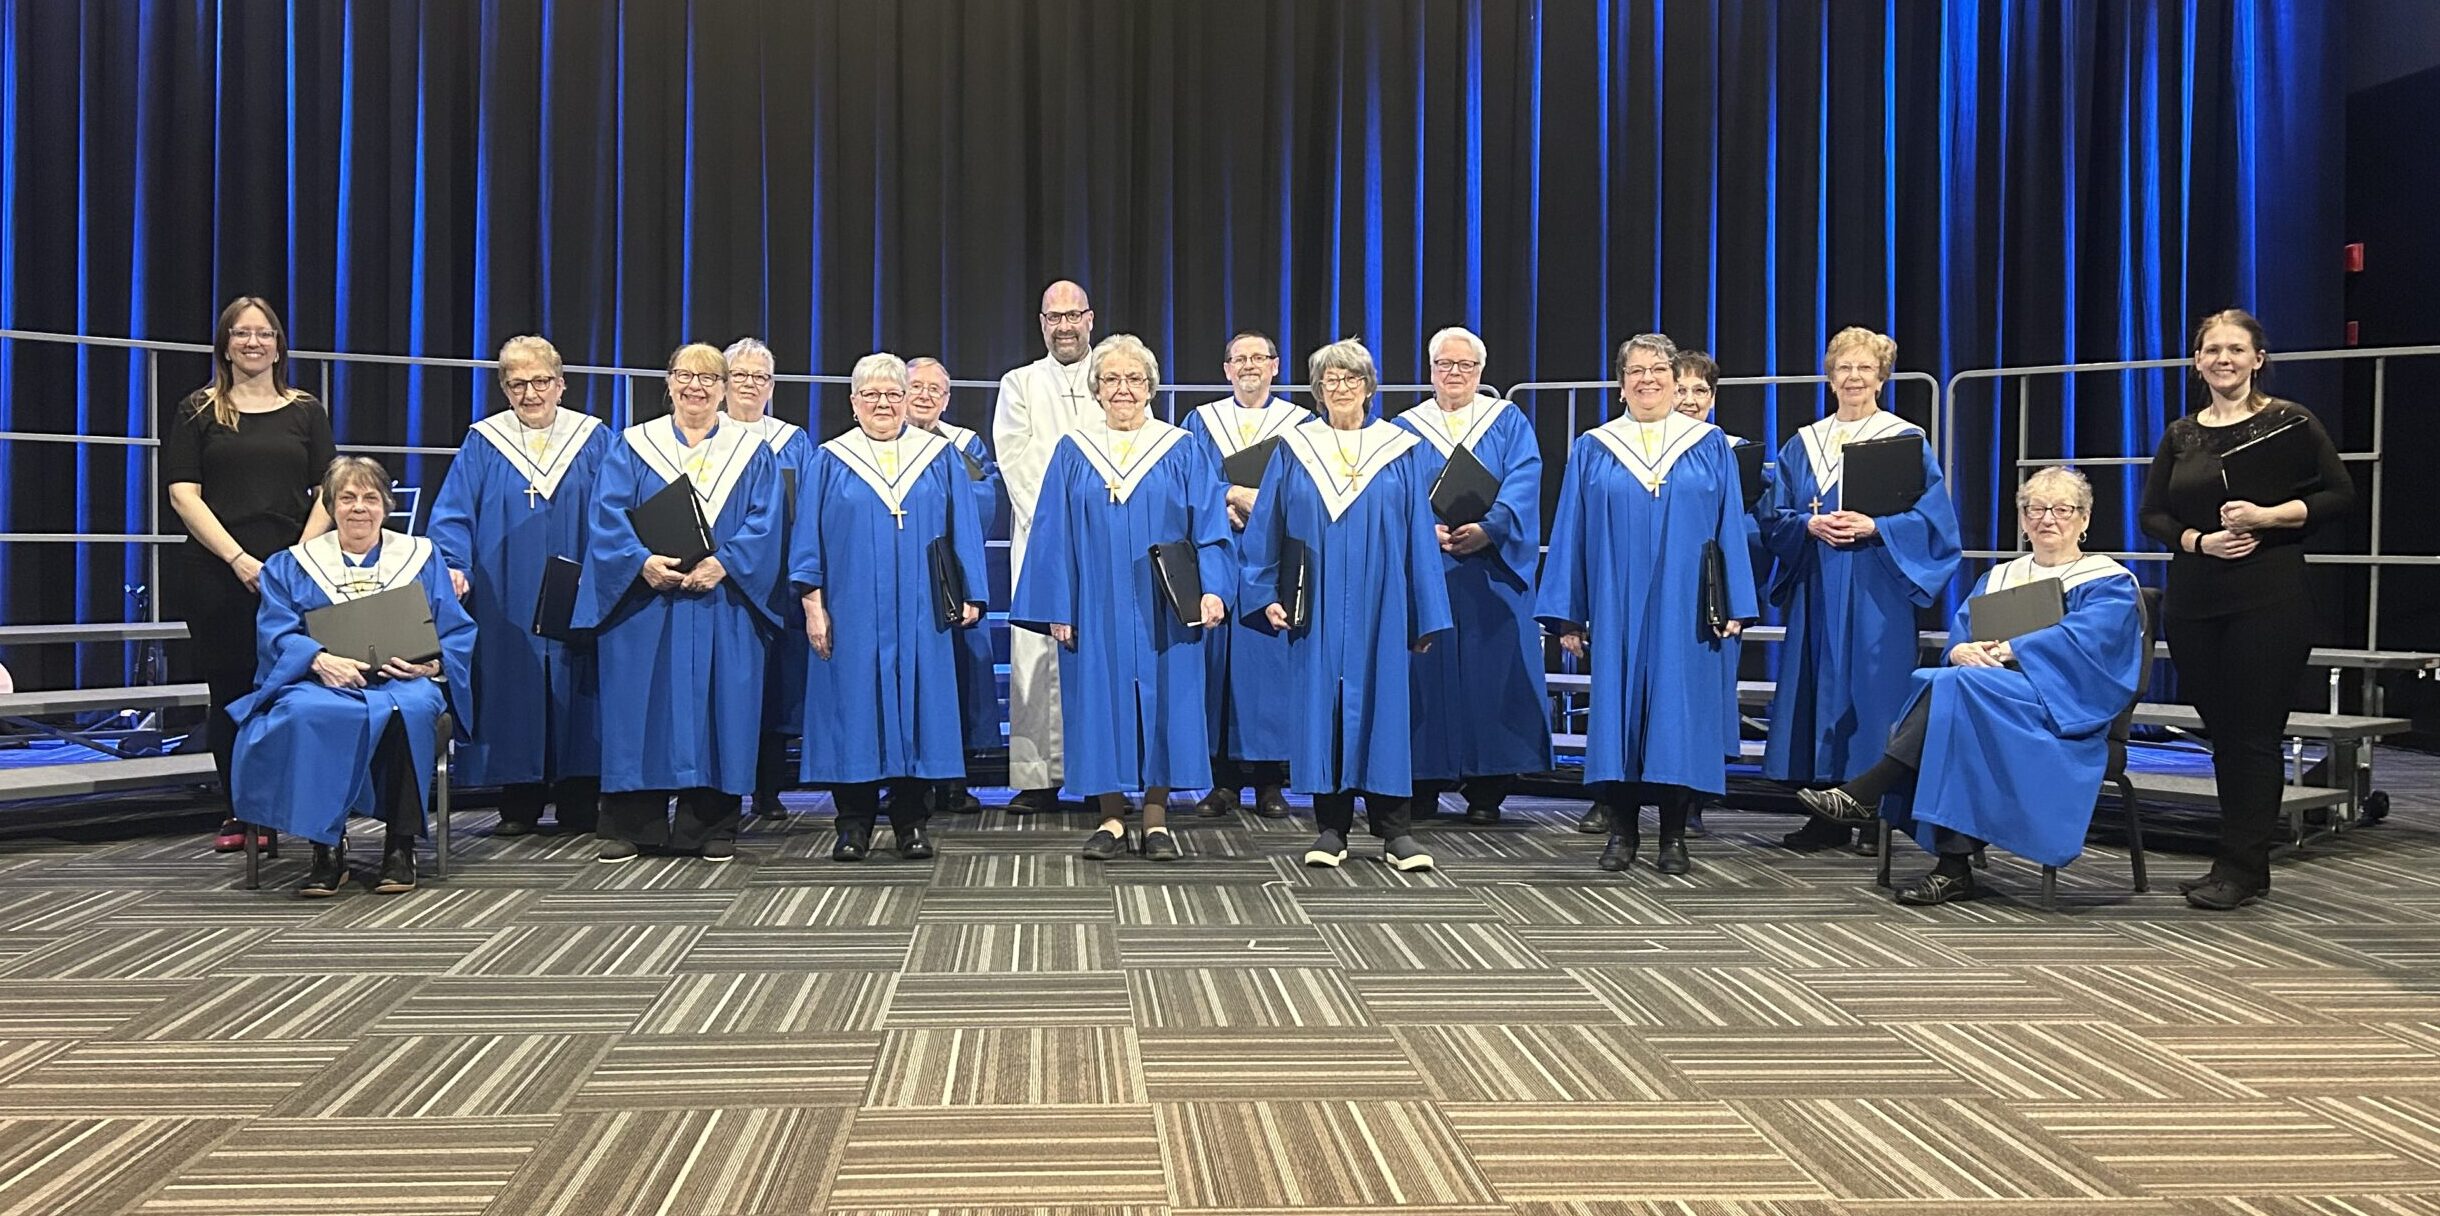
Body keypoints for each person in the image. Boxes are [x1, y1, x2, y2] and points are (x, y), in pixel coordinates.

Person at [1799, 468, 2146, 903]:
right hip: (1989, 699)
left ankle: (1870, 790)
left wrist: (2013, 649)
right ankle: (1952, 865)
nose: (2048, 519)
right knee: (1945, 684)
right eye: (2035, 509)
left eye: (2062, 509)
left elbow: (2093, 641)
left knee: (1956, 691)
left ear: (2085, 519)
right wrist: (1960, 651)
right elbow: (1965, 634)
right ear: (2022, 521)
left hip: (2060, 707)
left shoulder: (2106, 581)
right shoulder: (2001, 577)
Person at [2139, 309, 2354, 910]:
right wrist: (2197, 541)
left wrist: (2270, 516)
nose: (2224, 359)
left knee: (2254, 736)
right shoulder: (2183, 433)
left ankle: (2242, 866)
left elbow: (2341, 495)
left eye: (2236, 349)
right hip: (2197, 599)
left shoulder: (2290, 421)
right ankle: (2238, 862)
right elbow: (2153, 514)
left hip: (2270, 597)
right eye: (2213, 350)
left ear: (2258, 358)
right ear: (2198, 361)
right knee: (2225, 737)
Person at [1537, 334, 1756, 875]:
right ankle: (1622, 833)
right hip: (1617, 606)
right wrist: (1569, 612)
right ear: (1620, 383)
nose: (1648, 379)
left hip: (1687, 606)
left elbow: (1730, 526)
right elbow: (1572, 531)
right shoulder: (1595, 446)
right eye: (1636, 370)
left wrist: (1733, 601)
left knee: (1678, 717)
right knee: (1620, 716)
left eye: (1658, 368)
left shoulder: (1708, 445)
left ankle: (1674, 835)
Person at [1011, 335, 1232, 862]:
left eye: (1134, 379)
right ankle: (1110, 817)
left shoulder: (1181, 448)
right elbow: (1052, 534)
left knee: (1167, 704)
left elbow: (1210, 525)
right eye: (1111, 379)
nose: (1123, 389)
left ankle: (1156, 818)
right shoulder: (1074, 451)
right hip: (1097, 604)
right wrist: (1056, 608)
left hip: (1166, 605)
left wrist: (1215, 589)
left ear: (1151, 387)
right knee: (1100, 704)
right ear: (1096, 389)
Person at [1241, 339, 1453, 872]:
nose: (1341, 389)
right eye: (1330, 381)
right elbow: (1268, 527)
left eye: (1351, 379)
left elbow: (1418, 539)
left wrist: (1424, 611)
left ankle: (1394, 832)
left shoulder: (1398, 450)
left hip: (1381, 605)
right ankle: (1331, 829)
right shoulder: (1294, 449)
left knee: (1384, 709)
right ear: (1317, 390)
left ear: (1368, 387)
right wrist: (1265, 594)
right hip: (1313, 601)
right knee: (1321, 710)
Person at [573, 343, 785, 863]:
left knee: (722, 707)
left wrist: (726, 562)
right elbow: (607, 518)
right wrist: (641, 562)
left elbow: (766, 521)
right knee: (639, 705)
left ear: (723, 387)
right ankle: (631, 822)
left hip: (723, 601)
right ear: (667, 383)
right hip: (646, 601)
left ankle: (709, 824)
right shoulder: (633, 446)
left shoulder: (751, 450)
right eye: (685, 376)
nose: (696, 386)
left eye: (709, 378)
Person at [226, 458, 476, 896]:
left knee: (412, 708)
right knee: (304, 710)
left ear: (386, 506)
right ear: (330, 505)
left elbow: (453, 628)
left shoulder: (420, 557)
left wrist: (430, 666)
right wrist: (318, 659)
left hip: (403, 680)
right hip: (322, 682)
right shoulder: (293, 565)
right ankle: (325, 847)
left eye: (369, 498)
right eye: (347, 498)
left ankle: (400, 846)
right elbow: (276, 632)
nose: (359, 508)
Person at [1760, 327, 1961, 852]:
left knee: (1875, 693)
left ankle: (1877, 814)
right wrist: (1806, 527)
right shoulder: (1803, 444)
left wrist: (1879, 527)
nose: (1853, 377)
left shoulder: (1903, 439)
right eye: (1843, 368)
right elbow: (1772, 515)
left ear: (1882, 377)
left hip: (1878, 584)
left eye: (1864, 368)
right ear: (1829, 379)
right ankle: (1825, 812)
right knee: (1817, 689)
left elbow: (1934, 519)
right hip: (1818, 582)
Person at [792, 353, 989, 862]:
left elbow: (962, 525)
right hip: (851, 608)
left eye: (893, 394)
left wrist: (970, 594)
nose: (883, 403)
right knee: (851, 708)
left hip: (921, 608)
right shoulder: (830, 458)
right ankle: (852, 823)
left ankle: (911, 821)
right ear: (853, 402)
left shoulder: (937, 456)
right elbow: (808, 539)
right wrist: (814, 605)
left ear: (907, 401)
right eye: (871, 394)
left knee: (919, 708)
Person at [164, 297, 335, 855]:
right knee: (231, 692)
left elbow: (328, 491)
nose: (253, 343)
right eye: (242, 334)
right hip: (217, 572)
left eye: (263, 333)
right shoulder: (197, 409)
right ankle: (240, 811)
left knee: (293, 690)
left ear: (279, 344)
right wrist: (237, 558)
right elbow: (182, 493)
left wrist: (295, 563)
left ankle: (291, 805)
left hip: (292, 575)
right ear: (225, 344)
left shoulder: (306, 409)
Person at [426, 335, 612, 838]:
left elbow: (618, 508)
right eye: (517, 384)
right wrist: (453, 565)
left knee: (580, 682)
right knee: (513, 685)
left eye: (541, 382)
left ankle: (580, 795)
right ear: (504, 388)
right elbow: (452, 515)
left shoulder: (593, 438)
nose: (530, 394)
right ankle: (518, 799)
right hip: (502, 587)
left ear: (561, 382)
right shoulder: (485, 441)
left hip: (576, 583)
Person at [1393, 328, 1550, 824]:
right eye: (1444, 364)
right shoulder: (1405, 427)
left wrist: (1491, 526)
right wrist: (1424, 531)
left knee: (1493, 672)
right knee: (1424, 671)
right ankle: (1421, 781)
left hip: (1490, 570)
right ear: (1430, 369)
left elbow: (1525, 480)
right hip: (1430, 567)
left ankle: (1487, 789)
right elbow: (1395, 489)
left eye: (1464, 365)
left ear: (1481, 372)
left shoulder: (1507, 420)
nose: (1453, 373)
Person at [1179, 330, 1305, 820]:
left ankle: (1271, 782)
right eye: (1239, 358)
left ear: (1276, 366)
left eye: (1259, 357)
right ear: (1226, 369)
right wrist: (1230, 496)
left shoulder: (1299, 425)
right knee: (1217, 668)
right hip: (1217, 552)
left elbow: (1309, 486)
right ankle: (1222, 783)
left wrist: (1263, 506)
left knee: (1268, 666)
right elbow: (1188, 480)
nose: (1249, 365)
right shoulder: (1201, 423)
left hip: (1271, 557)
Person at [992, 281, 1099, 814]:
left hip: (1106, 543)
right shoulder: (1020, 383)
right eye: (1054, 317)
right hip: (1040, 540)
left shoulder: (1115, 374)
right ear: (1041, 323)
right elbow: (1016, 457)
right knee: (1036, 654)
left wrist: (1098, 525)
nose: (1064, 326)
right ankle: (1039, 779)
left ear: (1089, 319)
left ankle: (1104, 770)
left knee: (1102, 652)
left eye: (1072, 316)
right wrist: (1063, 526)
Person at [720, 337, 817, 820]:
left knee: (777, 685)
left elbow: (809, 510)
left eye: (760, 377)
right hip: (724, 579)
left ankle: (768, 788)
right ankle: (719, 793)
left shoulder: (792, 440)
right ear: (723, 382)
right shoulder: (705, 439)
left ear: (772, 386)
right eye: (740, 376)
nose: (750, 385)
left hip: (779, 580)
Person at [907, 356, 1002, 817]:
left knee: (956, 678)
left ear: (946, 399)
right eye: (916, 386)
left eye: (935, 390)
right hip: (901, 573)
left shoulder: (965, 444)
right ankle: (906, 783)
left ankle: (953, 780)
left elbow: (982, 503)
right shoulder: (874, 446)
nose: (925, 396)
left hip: (950, 571)